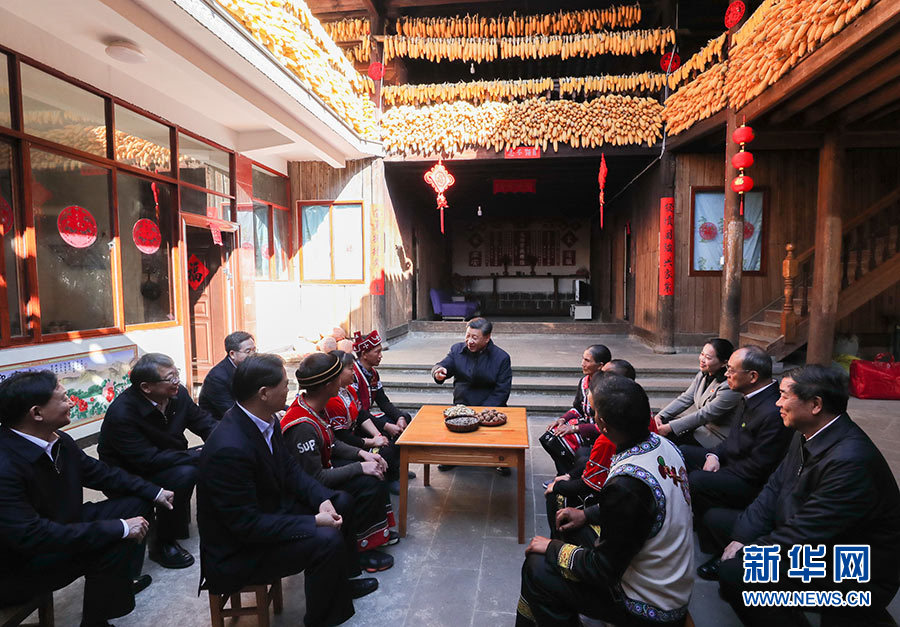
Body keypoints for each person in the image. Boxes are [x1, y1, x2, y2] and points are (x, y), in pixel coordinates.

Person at [197, 353, 378, 627]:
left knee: (340, 501)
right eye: (284, 384)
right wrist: (313, 521)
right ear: (264, 393)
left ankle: (339, 583)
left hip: (268, 513)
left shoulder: (265, 420)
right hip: (240, 550)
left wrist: (321, 499)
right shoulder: (229, 447)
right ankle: (322, 619)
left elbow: (291, 470)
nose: (289, 389)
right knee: (326, 540)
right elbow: (247, 526)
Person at [716, 365, 900, 626]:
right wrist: (742, 537)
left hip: (852, 570)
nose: (777, 403)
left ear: (815, 405)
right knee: (722, 523)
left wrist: (747, 554)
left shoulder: (850, 461)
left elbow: (805, 535)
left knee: (737, 573)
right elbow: (774, 487)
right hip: (808, 536)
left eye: (784, 395)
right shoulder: (806, 432)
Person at [0, 370, 175, 627]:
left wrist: (155, 492)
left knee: (136, 503)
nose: (71, 402)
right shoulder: (5, 465)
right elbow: (32, 536)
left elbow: (102, 474)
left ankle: (118, 581)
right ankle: (96, 622)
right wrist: (119, 528)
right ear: (36, 413)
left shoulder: (58, 440)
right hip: (19, 565)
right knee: (115, 541)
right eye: (63, 398)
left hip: (59, 523)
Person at [517, 375, 694, 627]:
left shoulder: (626, 483)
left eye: (594, 412)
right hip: (666, 575)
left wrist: (552, 548)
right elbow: (639, 511)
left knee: (537, 568)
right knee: (570, 524)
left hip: (648, 603)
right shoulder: (665, 446)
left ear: (603, 425)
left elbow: (603, 569)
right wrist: (586, 514)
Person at [281, 352, 398, 573]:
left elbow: (332, 442)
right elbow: (315, 478)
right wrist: (360, 466)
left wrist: (363, 454)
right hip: (307, 490)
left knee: (375, 467)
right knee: (368, 483)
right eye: (337, 376)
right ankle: (362, 549)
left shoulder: (315, 406)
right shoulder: (302, 425)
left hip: (323, 471)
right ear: (328, 385)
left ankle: (374, 536)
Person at [99, 352, 217, 569]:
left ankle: (192, 518)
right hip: (131, 471)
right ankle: (161, 543)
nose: (177, 381)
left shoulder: (178, 394)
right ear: (146, 387)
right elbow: (146, 459)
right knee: (186, 472)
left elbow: (203, 422)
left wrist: (223, 438)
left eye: (176, 374)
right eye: (170, 378)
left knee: (213, 456)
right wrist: (194, 455)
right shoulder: (123, 413)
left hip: (168, 457)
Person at [683, 346, 791, 581]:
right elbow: (731, 439)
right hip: (732, 462)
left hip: (751, 480)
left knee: (698, 479)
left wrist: (719, 469)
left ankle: (719, 543)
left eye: (731, 370)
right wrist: (714, 456)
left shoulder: (772, 411)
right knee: (684, 453)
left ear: (752, 376)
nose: (726, 374)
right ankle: (703, 522)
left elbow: (758, 468)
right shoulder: (748, 395)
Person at [543, 360, 658, 534]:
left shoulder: (607, 442)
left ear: (603, 423)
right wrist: (569, 476)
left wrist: (558, 487)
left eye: (595, 411)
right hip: (656, 519)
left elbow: (590, 487)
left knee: (556, 498)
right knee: (581, 458)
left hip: (637, 533)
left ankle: (557, 539)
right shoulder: (654, 430)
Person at [326, 350, 402, 493]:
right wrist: (371, 442)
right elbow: (342, 437)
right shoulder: (333, 401)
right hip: (345, 446)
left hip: (354, 436)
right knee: (384, 453)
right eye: (350, 369)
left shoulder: (349, 390)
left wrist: (377, 435)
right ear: (338, 373)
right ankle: (387, 481)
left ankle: (392, 474)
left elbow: (361, 414)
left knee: (389, 440)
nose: (354, 373)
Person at [654, 338, 742, 448]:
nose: (702, 359)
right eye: (702, 354)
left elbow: (704, 414)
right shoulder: (703, 374)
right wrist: (661, 415)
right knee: (665, 424)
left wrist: (670, 427)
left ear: (724, 363)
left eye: (708, 358)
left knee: (673, 442)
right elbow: (686, 398)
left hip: (716, 436)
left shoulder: (729, 386)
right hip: (701, 428)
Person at [540, 344, 611, 475]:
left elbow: (605, 426)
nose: (582, 363)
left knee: (557, 440)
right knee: (549, 436)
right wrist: (562, 419)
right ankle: (564, 474)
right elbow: (578, 408)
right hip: (584, 424)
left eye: (587, 360)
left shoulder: (607, 388)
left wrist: (574, 428)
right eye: (583, 359)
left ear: (600, 366)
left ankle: (569, 476)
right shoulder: (584, 381)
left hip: (597, 432)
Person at [431, 317, 512, 407]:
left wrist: (482, 411)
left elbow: (502, 392)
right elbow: (445, 364)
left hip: (490, 411)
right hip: (462, 408)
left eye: (474, 338)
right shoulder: (457, 350)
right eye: (467, 336)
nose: (469, 341)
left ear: (487, 338)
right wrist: (438, 372)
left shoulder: (501, 358)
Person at [351, 329, 412, 439]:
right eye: (377, 352)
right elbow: (359, 413)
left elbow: (383, 402)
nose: (381, 356)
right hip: (358, 422)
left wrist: (399, 417)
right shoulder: (353, 375)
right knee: (387, 433)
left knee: (405, 417)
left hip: (368, 418)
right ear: (364, 354)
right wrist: (386, 426)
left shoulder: (374, 374)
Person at [198, 331, 256, 418]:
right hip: (220, 422)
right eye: (248, 352)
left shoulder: (251, 367)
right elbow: (230, 411)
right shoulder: (217, 378)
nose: (253, 355)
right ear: (232, 354)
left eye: (254, 350)